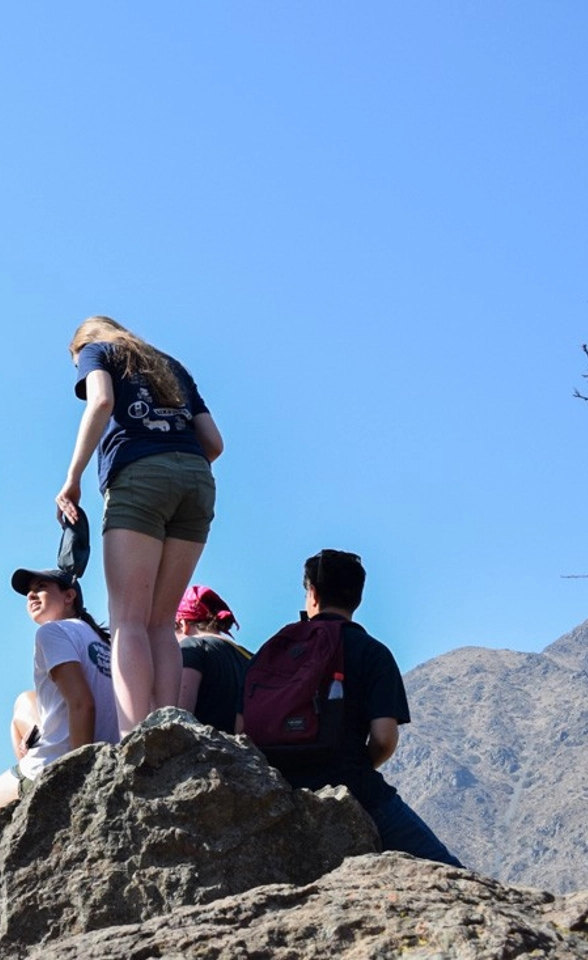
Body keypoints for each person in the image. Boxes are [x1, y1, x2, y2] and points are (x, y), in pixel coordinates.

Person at [238, 550, 463, 867]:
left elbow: (240, 730)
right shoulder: (373, 652)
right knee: (445, 870)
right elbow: (384, 738)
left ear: (313, 594)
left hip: (272, 789)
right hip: (353, 786)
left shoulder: (271, 652)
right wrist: (353, 768)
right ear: (358, 597)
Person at [55, 316, 224, 736]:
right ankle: (170, 729)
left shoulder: (96, 351)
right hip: (197, 480)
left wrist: (73, 479)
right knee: (161, 621)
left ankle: (135, 736)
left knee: (128, 619)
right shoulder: (170, 365)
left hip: (139, 474)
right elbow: (214, 443)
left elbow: (100, 402)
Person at [0, 568, 117, 832]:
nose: (31, 595)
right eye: (29, 591)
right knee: (24, 700)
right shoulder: (106, 643)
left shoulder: (52, 632)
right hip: (107, 753)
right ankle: (33, 753)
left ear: (69, 596)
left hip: (56, 766)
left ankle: (30, 779)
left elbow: (82, 704)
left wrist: (81, 777)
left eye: (41, 587)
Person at [175, 585, 252, 735]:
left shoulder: (191, 647)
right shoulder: (251, 658)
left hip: (205, 747)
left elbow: (181, 716)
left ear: (183, 624)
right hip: (245, 748)